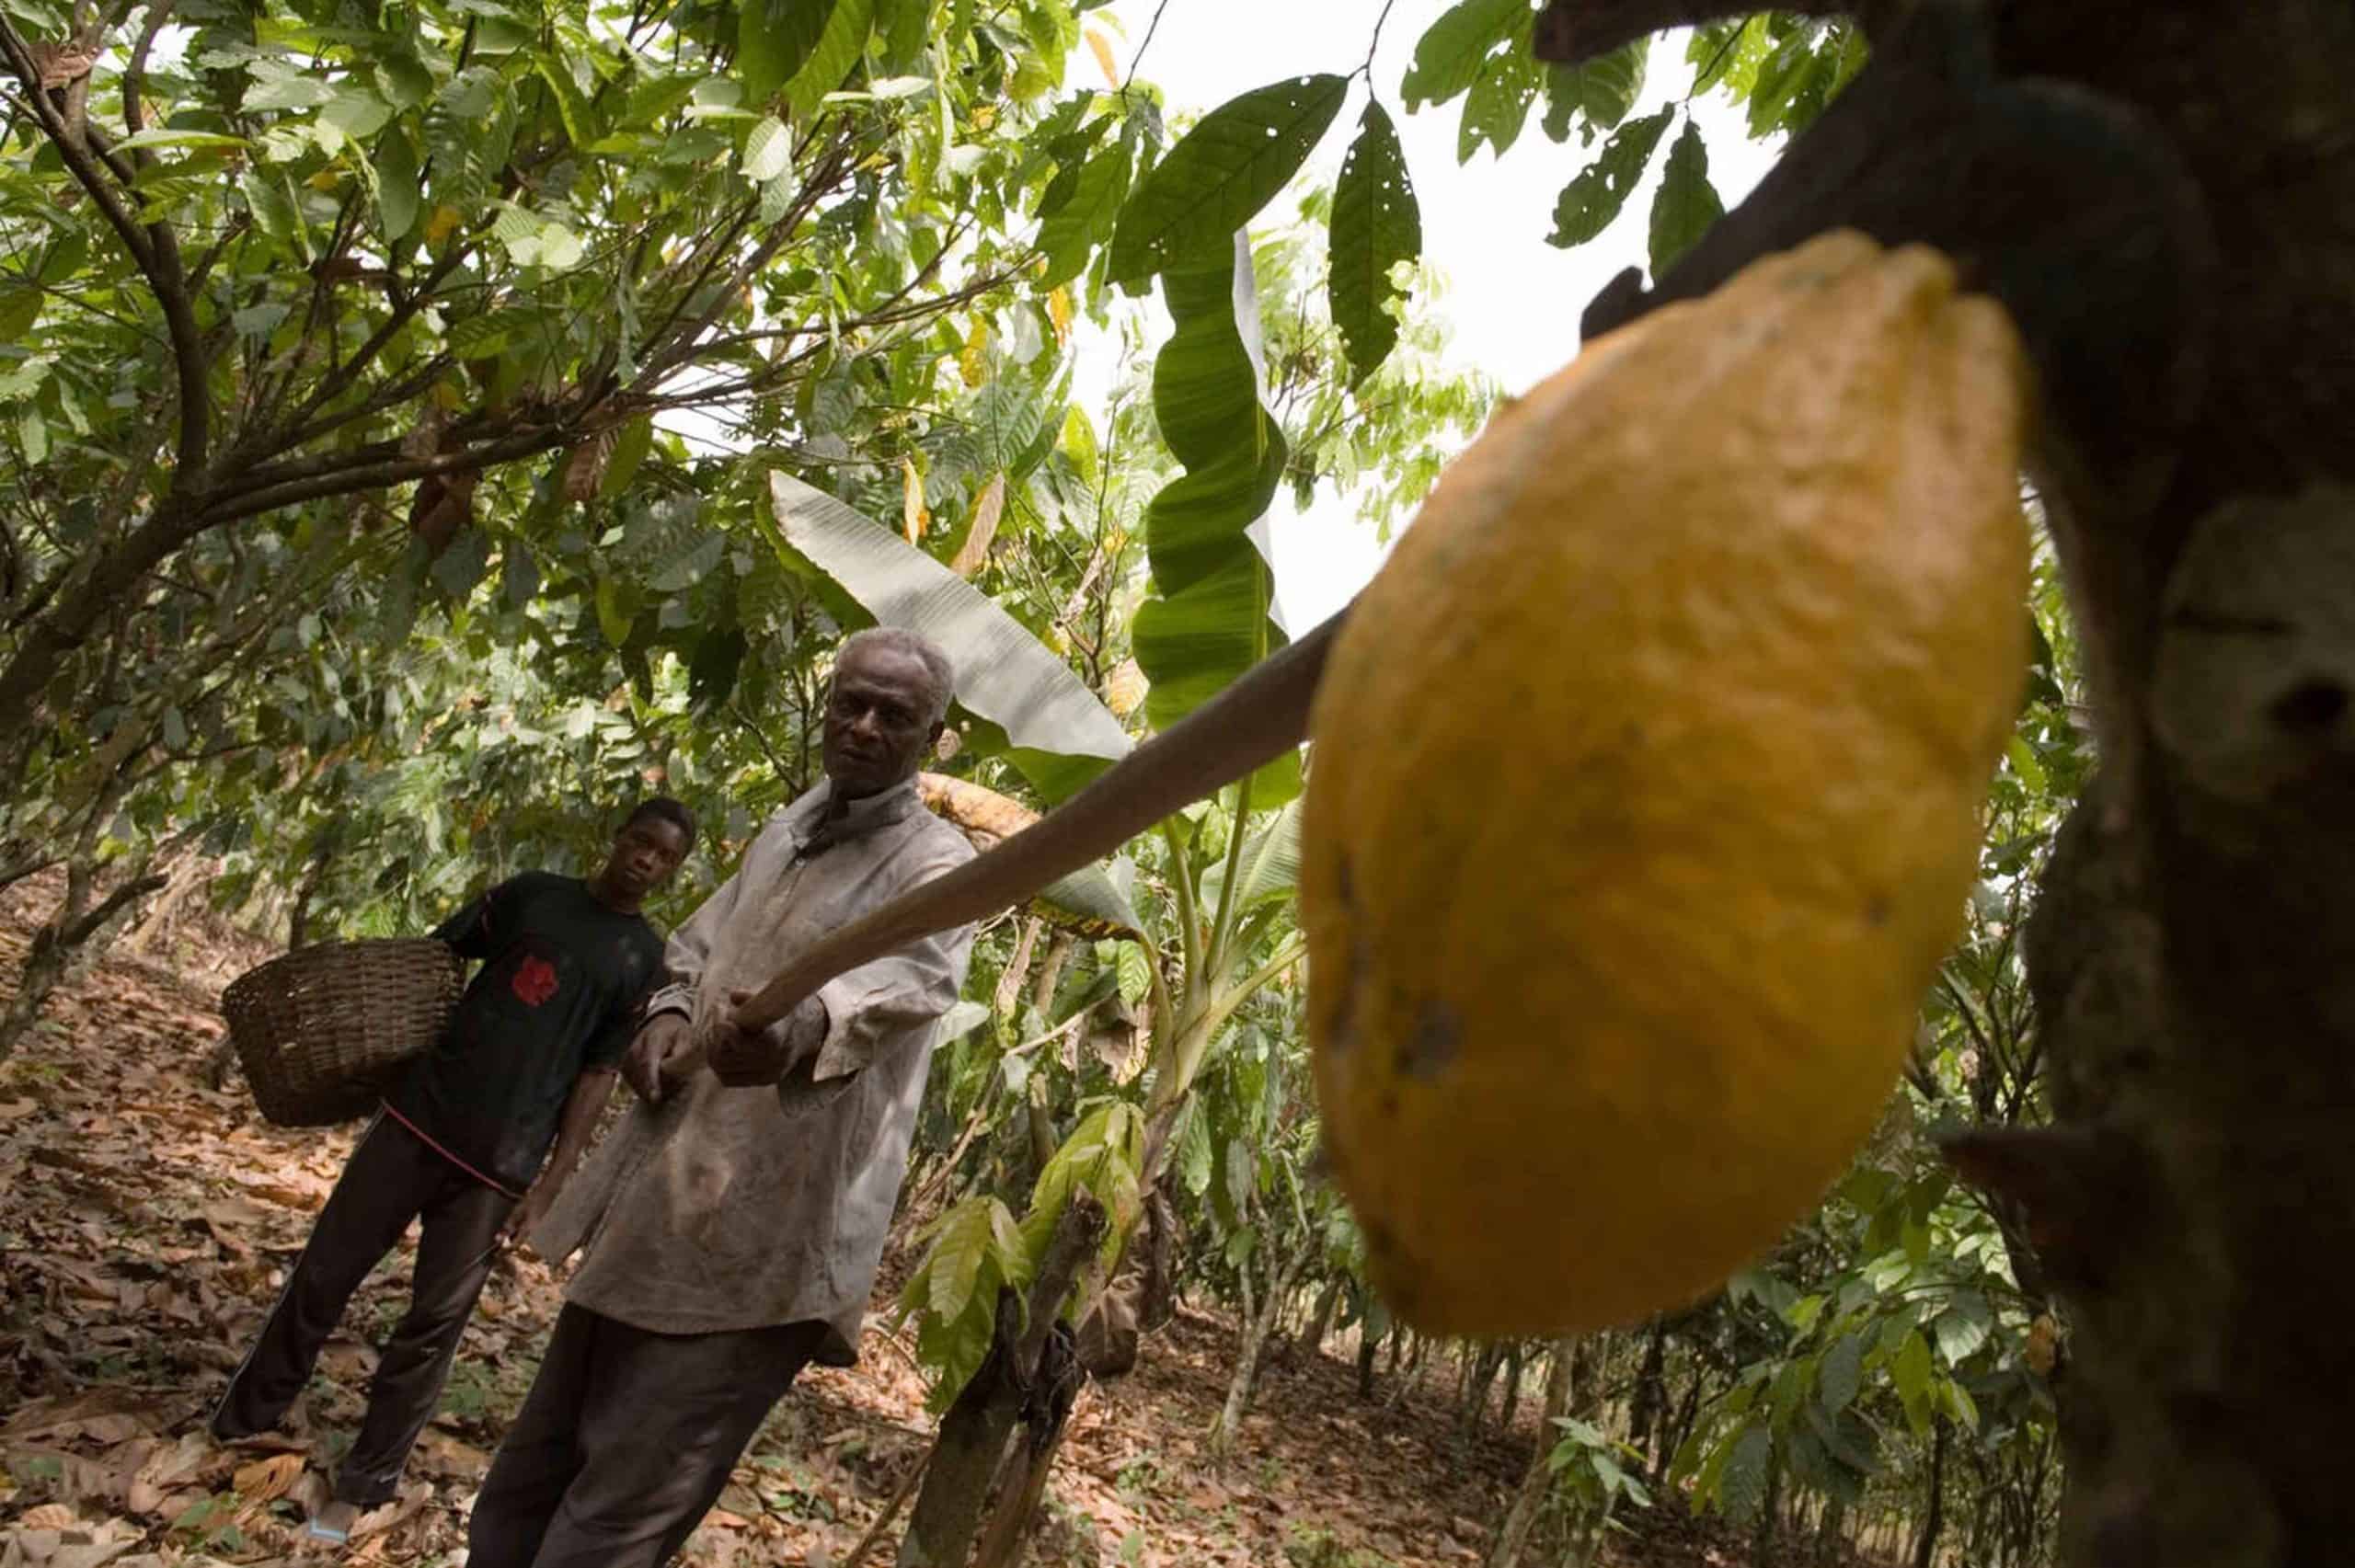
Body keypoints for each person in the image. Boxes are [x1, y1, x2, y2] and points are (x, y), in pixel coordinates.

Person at [467, 629, 980, 1568]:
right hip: (655, 1200)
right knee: (529, 1478)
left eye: (894, 715)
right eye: (851, 703)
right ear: (827, 706)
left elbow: (910, 982)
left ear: (932, 737)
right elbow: (699, 946)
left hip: (762, 1241)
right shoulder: (793, 824)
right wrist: (668, 1014)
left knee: (614, 1521)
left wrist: (803, 1025)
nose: (864, 727)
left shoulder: (935, 864)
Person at [209, 799, 695, 1545]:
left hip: (498, 1166)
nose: (646, 860)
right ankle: (244, 1422)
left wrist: (551, 1184)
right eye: (641, 841)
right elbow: (438, 956)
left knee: (432, 1327)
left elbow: (597, 1075)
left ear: (672, 871)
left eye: (664, 857)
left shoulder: (641, 961)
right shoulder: (533, 895)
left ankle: (364, 1484)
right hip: (417, 1119)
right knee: (323, 1274)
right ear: (618, 837)